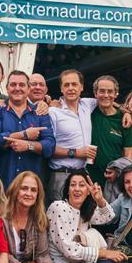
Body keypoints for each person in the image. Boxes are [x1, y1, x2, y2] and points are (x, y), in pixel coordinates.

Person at [0, 70, 55, 187]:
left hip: (31, 187)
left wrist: (29, 145)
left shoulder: (40, 112)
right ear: (6, 88)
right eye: (13, 85)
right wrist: (24, 134)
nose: (17, 88)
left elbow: (50, 146)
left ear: (28, 89)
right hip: (2, 185)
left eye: (22, 85)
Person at [47, 69, 97, 203]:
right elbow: (47, 148)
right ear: (61, 89)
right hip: (61, 176)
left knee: (82, 220)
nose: (70, 88)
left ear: (81, 87)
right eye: (66, 85)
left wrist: (125, 111)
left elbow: (107, 100)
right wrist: (76, 153)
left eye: (74, 84)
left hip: (82, 176)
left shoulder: (87, 104)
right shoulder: (53, 112)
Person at [87, 75, 132, 184]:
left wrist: (119, 172)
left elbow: (128, 154)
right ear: (95, 93)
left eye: (110, 91)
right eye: (102, 91)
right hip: (88, 180)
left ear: (115, 94)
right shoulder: (87, 112)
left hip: (114, 181)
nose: (106, 95)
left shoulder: (124, 119)